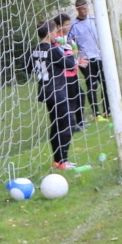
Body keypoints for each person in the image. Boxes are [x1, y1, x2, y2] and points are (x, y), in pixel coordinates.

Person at [29, 17, 76, 169]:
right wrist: (68, 50)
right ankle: (63, 160)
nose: (57, 34)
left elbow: (28, 68)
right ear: (49, 33)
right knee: (68, 124)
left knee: (56, 126)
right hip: (57, 91)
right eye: (55, 32)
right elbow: (69, 65)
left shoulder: (34, 49)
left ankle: (58, 160)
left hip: (45, 91)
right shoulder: (52, 49)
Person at [69, 0, 111, 119]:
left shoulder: (94, 19)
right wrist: (75, 53)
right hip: (86, 59)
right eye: (81, 9)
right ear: (77, 9)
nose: (84, 10)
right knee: (91, 85)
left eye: (86, 7)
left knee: (104, 83)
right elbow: (69, 41)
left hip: (99, 57)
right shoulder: (74, 25)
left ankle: (107, 109)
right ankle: (96, 113)